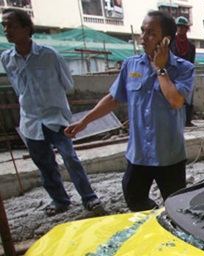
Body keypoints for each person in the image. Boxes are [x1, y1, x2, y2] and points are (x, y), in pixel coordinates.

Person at [65, 11, 195, 211]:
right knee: (133, 197)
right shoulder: (130, 65)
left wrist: (160, 69)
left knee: (176, 206)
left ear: (166, 40)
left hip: (169, 155)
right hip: (139, 154)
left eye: (151, 33)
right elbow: (113, 98)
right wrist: (85, 121)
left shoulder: (183, 68)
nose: (143, 38)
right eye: (143, 31)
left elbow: (176, 101)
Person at [0, 8, 102, 216]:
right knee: (44, 163)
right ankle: (60, 200)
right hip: (30, 121)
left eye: (11, 25)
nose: (6, 30)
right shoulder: (7, 59)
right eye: (4, 26)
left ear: (26, 28)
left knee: (70, 158)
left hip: (56, 118)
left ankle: (89, 197)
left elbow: (67, 83)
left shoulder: (49, 55)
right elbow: (19, 88)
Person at [170, 16, 195, 127]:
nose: (181, 29)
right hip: (173, 74)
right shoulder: (171, 43)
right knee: (173, 97)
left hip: (186, 75)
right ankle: (174, 120)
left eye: (183, 27)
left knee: (188, 98)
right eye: (179, 27)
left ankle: (187, 121)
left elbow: (191, 62)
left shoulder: (191, 46)